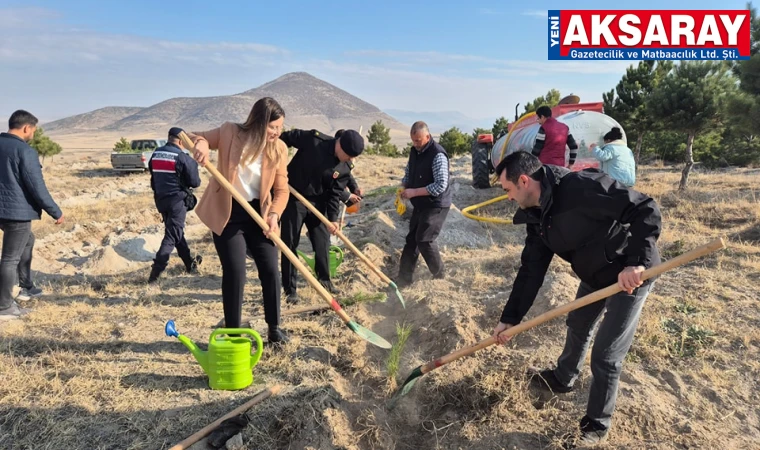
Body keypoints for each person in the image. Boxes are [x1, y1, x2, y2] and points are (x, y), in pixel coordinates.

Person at [490, 152, 662, 445]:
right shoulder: (537, 216)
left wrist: (636, 262)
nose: (507, 198)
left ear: (523, 180)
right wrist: (510, 318)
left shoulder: (581, 188)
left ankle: (596, 426)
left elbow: (644, 207)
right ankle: (563, 377)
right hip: (594, 275)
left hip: (629, 277)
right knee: (579, 324)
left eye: (507, 190)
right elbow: (531, 270)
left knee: (606, 355)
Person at [188, 97, 291, 345]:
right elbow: (194, 136)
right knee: (235, 272)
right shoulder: (229, 132)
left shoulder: (279, 149)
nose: (277, 132)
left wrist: (274, 215)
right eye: (272, 127)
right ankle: (233, 333)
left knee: (270, 270)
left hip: (259, 215)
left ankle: (274, 329)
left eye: (280, 128)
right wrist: (201, 146)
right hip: (229, 215)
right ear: (257, 122)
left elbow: (282, 191)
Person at [278, 128, 364, 303]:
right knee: (290, 243)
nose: (350, 160)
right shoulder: (314, 140)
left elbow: (334, 194)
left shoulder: (344, 167)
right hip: (294, 197)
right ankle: (290, 290)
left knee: (322, 242)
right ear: (340, 145)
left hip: (319, 203)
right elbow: (286, 138)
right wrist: (276, 160)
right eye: (348, 155)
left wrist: (332, 219)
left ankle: (325, 282)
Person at [0, 110, 64, 319]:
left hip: (3, 211)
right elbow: (36, 185)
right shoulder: (24, 150)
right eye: (33, 130)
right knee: (10, 258)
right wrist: (55, 211)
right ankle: (5, 307)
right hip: (15, 213)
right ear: (27, 128)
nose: (33, 134)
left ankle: (26, 286)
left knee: (28, 240)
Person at [396, 121, 451, 288]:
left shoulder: (437, 154)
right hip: (420, 203)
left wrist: (414, 192)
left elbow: (440, 185)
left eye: (418, 140)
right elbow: (408, 172)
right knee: (412, 240)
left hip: (436, 204)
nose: (415, 144)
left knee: (425, 239)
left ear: (427, 136)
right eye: (413, 140)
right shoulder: (415, 152)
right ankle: (403, 280)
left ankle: (440, 274)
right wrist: (404, 186)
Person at [147, 127, 203, 283]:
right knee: (172, 236)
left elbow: (153, 176)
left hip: (161, 200)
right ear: (180, 141)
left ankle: (189, 264)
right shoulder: (182, 157)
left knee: (176, 232)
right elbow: (195, 182)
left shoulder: (156, 153)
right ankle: (155, 275)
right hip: (177, 201)